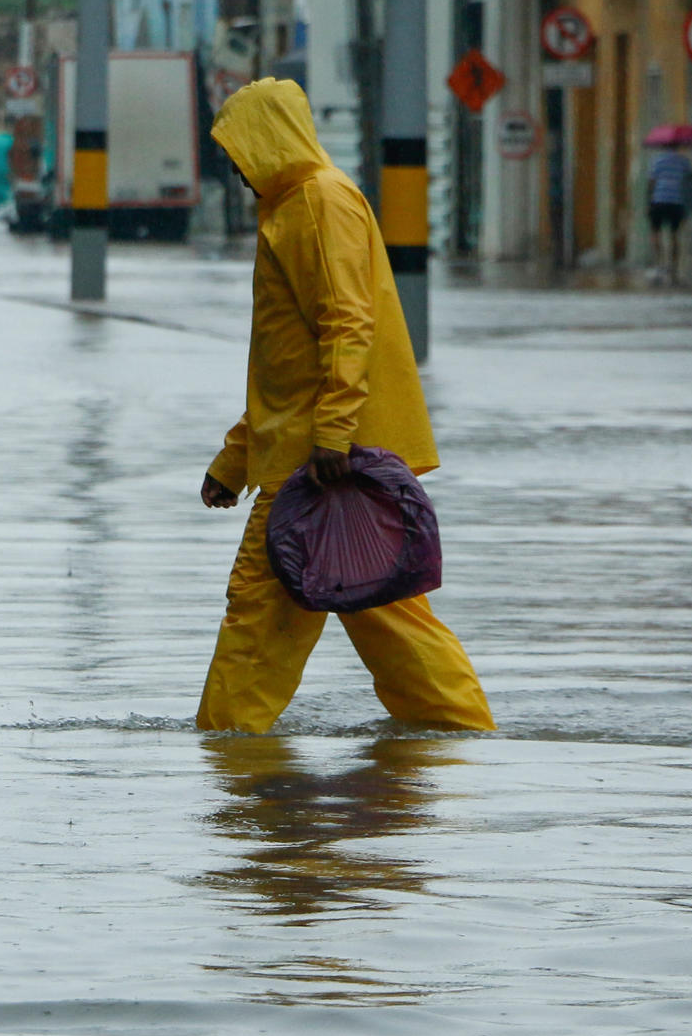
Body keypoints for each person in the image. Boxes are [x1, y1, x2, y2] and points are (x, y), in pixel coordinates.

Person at [196, 78, 495, 735]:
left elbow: (345, 323)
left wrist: (332, 435)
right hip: (318, 454)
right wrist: (235, 460)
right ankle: (463, 740)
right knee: (388, 613)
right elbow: (287, 367)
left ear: (267, 143)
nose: (237, 170)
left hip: (319, 464)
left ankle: (226, 754)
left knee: (259, 617)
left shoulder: (314, 203)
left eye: (239, 153)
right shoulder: (299, 205)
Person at [647, 147, 691, 279]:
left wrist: (649, 200)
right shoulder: (684, 162)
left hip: (659, 200)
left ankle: (658, 263)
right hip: (677, 201)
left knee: (655, 232)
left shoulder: (657, 161)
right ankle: (673, 265)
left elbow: (651, 181)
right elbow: (688, 181)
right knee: (674, 234)